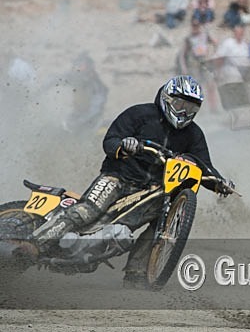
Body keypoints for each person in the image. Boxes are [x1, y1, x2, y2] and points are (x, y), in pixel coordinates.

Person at [31, 76, 234, 286]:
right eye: (179, 104)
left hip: (152, 191)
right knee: (87, 210)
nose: (184, 111)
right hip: (118, 177)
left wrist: (219, 182)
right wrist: (124, 144)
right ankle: (35, 245)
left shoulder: (194, 134)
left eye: (191, 108)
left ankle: (136, 274)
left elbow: (204, 166)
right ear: (167, 98)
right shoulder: (140, 114)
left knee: (160, 225)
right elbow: (110, 140)